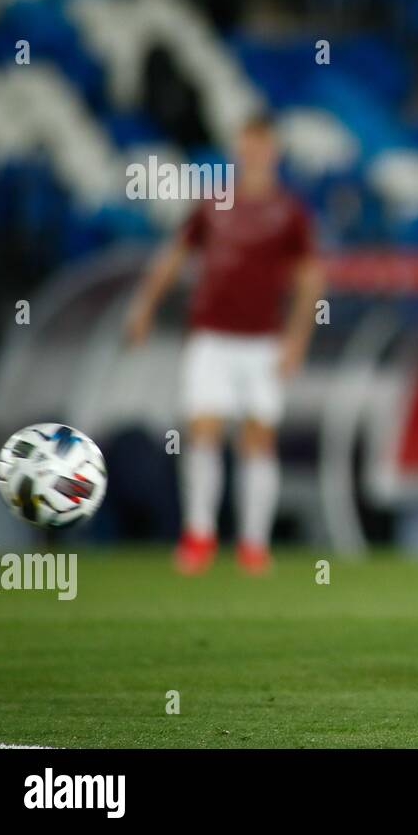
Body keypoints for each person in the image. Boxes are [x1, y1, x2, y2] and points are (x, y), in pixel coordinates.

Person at [125, 114, 323, 575]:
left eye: (260, 145)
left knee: (257, 438)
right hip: (211, 336)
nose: (252, 153)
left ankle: (254, 544)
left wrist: (297, 339)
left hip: (263, 342)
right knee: (204, 428)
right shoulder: (212, 205)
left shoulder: (290, 212)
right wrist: (144, 307)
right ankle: (199, 535)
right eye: (246, 145)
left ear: (273, 151)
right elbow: (174, 255)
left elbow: (310, 278)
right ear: (238, 149)